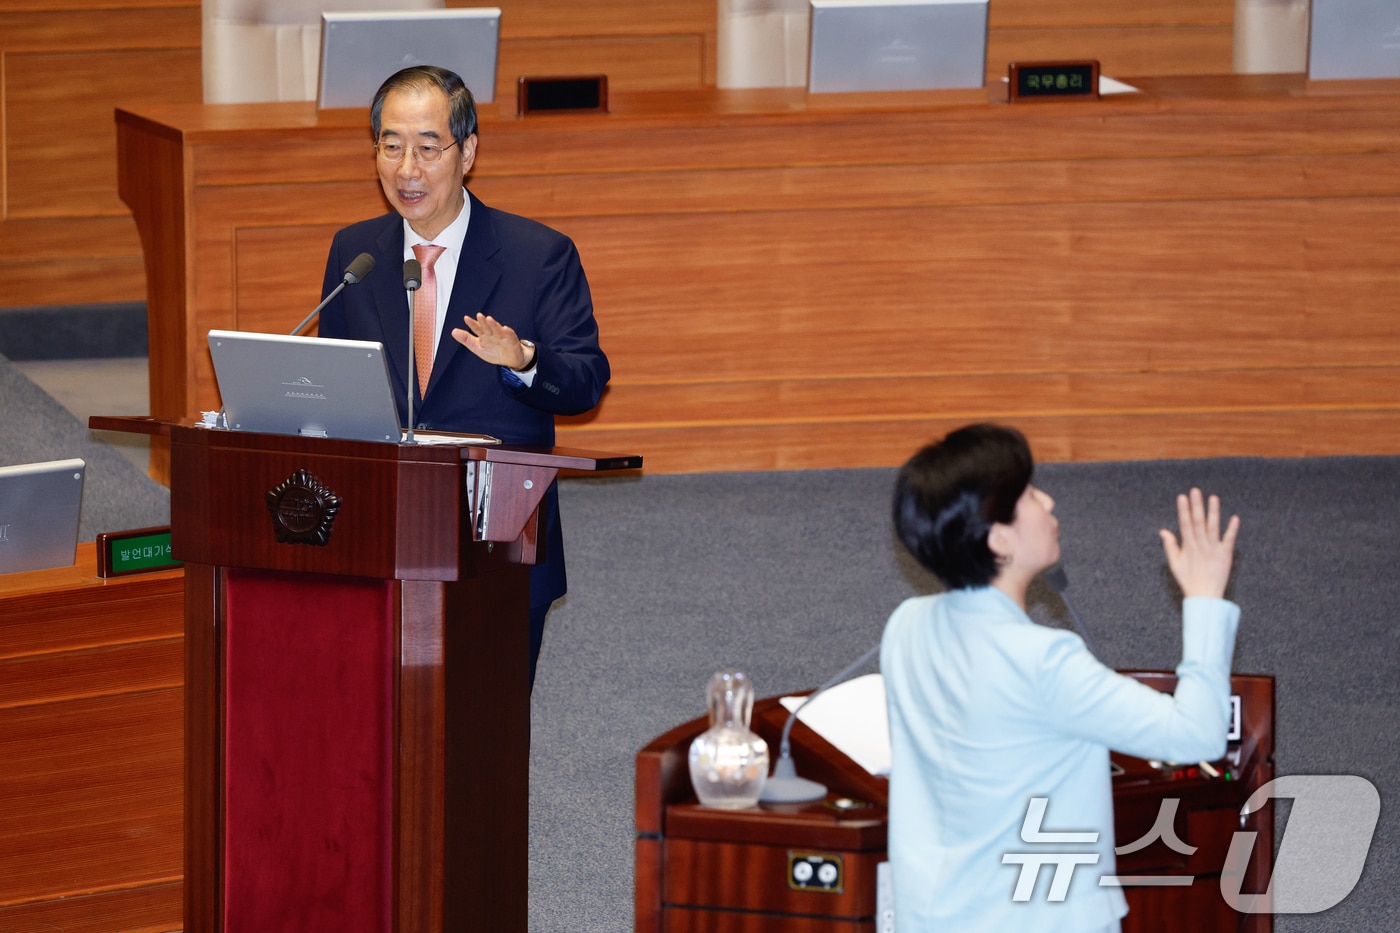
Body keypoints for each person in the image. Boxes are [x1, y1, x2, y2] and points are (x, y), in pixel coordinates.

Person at [880, 423, 1241, 932]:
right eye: (1029, 494)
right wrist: (1204, 601)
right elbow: (1197, 734)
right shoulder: (1045, 660)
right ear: (1000, 537)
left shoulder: (905, 627)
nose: (1048, 503)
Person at [317, 65, 611, 687]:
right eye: (391, 146)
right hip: (381, 528)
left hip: (496, 534)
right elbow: (335, 382)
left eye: (428, 147)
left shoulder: (537, 255)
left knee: (483, 735)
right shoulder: (356, 253)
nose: (407, 170)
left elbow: (586, 380)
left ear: (468, 151)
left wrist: (527, 363)